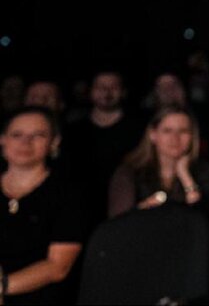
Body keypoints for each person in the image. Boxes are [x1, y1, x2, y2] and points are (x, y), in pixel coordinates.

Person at [0, 107, 83, 305]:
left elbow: (57, 267)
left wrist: (2, 286)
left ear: (54, 142)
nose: (25, 142)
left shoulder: (69, 194)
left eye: (38, 135)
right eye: (17, 134)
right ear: (3, 139)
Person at [62, 71, 146, 225]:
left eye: (113, 87)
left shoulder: (139, 129)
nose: (107, 92)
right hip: (81, 207)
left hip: (126, 206)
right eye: (101, 87)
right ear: (90, 92)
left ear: (123, 92)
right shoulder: (73, 131)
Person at [106, 105, 209, 219]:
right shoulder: (130, 172)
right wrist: (142, 209)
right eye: (167, 131)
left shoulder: (204, 170)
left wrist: (185, 175)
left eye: (183, 131)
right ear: (153, 135)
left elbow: (203, 220)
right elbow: (117, 223)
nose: (175, 138)